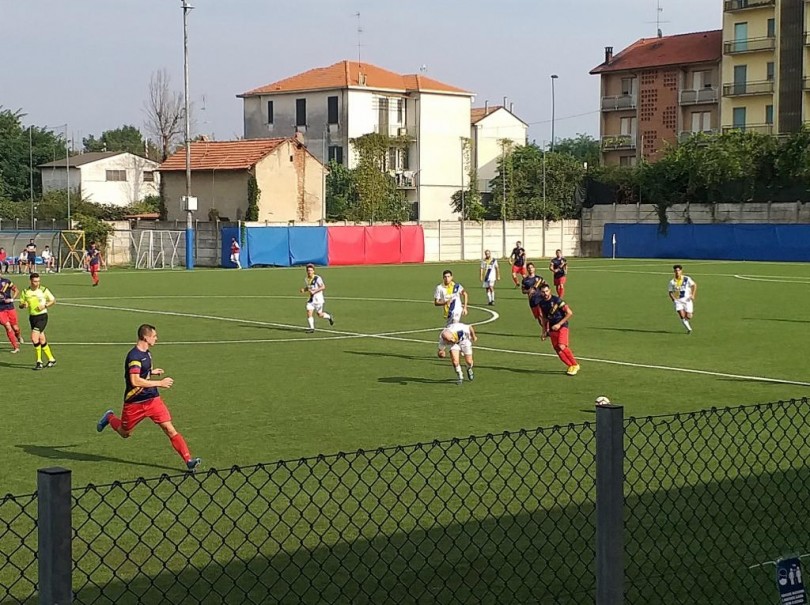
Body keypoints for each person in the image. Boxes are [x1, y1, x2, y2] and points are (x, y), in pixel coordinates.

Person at [96, 324, 201, 472]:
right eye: (154, 336)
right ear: (146, 337)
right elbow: (135, 381)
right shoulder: (134, 356)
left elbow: (143, 372)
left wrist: (152, 372)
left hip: (153, 400)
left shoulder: (147, 353)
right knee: (125, 433)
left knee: (169, 429)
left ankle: (188, 460)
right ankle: (110, 417)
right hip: (135, 403)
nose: (156, 339)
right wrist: (160, 383)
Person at [534, 283, 580, 376]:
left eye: (547, 291)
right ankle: (570, 365)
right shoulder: (541, 303)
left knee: (562, 345)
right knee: (557, 349)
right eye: (543, 292)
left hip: (562, 326)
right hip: (552, 328)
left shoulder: (557, 300)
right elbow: (545, 319)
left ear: (550, 290)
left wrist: (559, 324)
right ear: (540, 293)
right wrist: (544, 331)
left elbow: (569, 313)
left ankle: (575, 364)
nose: (545, 293)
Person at [17, 273, 56, 370]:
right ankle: (51, 359)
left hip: (42, 317)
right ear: (30, 281)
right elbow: (21, 304)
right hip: (32, 317)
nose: (37, 283)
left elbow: (53, 300)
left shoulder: (43, 290)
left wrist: (45, 305)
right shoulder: (26, 292)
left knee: (34, 338)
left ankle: (39, 361)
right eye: (35, 281)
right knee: (41, 339)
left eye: (38, 281)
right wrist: (23, 305)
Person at [300, 263, 334, 333]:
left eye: (311, 270)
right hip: (311, 299)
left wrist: (314, 291)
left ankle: (329, 317)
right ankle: (312, 328)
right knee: (309, 312)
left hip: (318, 299)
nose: (309, 272)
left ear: (313, 271)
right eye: (308, 270)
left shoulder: (317, 278)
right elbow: (309, 287)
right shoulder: (306, 279)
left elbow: (323, 287)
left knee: (320, 314)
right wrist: (304, 289)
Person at [668, 264, 697, 334]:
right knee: (682, 316)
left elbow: (694, 285)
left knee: (689, 316)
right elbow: (670, 292)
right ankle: (689, 329)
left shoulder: (686, 279)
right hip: (678, 301)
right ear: (674, 272)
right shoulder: (672, 282)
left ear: (681, 271)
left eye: (678, 270)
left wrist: (693, 295)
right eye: (676, 271)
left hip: (687, 300)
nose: (677, 272)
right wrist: (674, 300)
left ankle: (687, 320)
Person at [521, 263, 549, 327]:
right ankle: (545, 329)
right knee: (538, 317)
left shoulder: (539, 278)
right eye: (529, 268)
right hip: (532, 301)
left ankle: (547, 329)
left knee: (543, 315)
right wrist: (529, 291)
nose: (530, 269)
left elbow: (546, 286)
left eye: (531, 267)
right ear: (527, 269)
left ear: (534, 268)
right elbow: (523, 291)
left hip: (541, 299)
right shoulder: (525, 280)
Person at [0, 275, 22, 353]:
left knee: (15, 328)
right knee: (8, 327)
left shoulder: (6, 282)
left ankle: (18, 336)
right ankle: (15, 347)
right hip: (0, 310)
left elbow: (16, 290)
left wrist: (12, 299)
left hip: (10, 307)